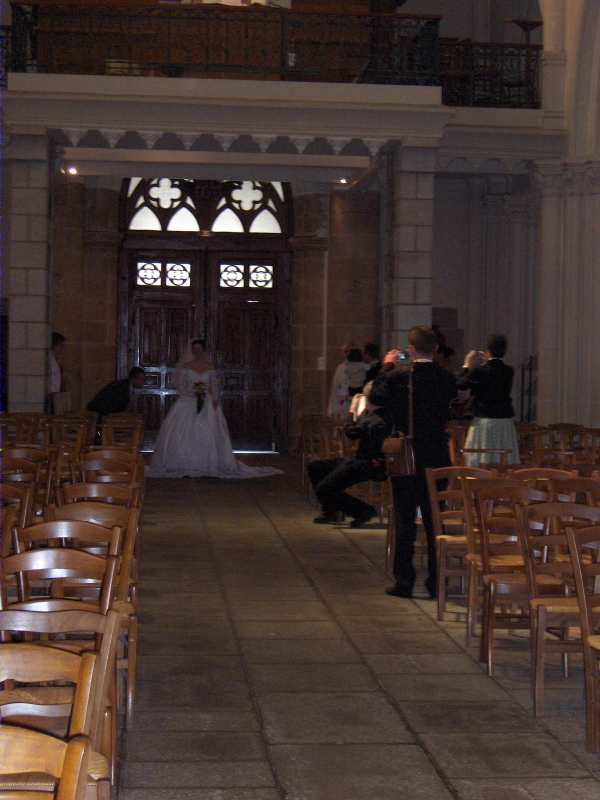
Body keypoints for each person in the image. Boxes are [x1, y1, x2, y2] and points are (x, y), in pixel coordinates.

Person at [373, 325, 457, 599]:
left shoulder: (398, 376)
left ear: (410, 349)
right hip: (436, 456)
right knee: (435, 520)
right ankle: (436, 582)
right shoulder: (446, 378)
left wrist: (386, 367)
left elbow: (374, 399)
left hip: (406, 456)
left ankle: (404, 581)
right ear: (435, 349)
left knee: (404, 518)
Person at [147, 339, 283, 479]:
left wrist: (215, 400)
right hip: (188, 401)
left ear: (204, 351)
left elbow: (214, 385)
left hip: (207, 402)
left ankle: (209, 463)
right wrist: (191, 393)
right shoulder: (187, 366)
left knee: (209, 430)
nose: (197, 351)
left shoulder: (210, 367)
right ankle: (183, 463)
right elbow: (181, 386)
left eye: (199, 349)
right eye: (194, 349)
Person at [308, 381, 393, 528]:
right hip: (361, 460)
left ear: (369, 399)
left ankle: (363, 510)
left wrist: (352, 410)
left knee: (324, 489)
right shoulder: (380, 415)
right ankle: (331, 511)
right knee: (315, 467)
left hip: (369, 464)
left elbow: (350, 432)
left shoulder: (376, 420)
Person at [456, 333, 520, 466]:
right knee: (503, 460)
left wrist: (467, 365)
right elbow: (493, 373)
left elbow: (460, 384)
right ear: (504, 351)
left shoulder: (478, 371)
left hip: (483, 420)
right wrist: (487, 362)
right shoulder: (509, 371)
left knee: (480, 459)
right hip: (504, 421)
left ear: (488, 350)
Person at [327, 342, 354, 419]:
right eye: (347, 352)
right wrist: (332, 409)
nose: (349, 354)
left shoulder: (361, 367)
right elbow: (335, 389)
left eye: (351, 352)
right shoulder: (340, 369)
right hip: (343, 406)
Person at [45, 332, 67, 414]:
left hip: (58, 392)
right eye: (61, 346)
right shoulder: (49, 359)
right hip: (53, 393)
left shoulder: (55, 358)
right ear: (54, 345)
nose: (62, 349)